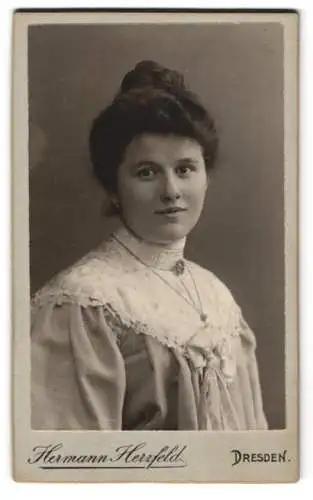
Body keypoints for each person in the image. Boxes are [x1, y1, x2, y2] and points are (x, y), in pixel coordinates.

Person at [31, 60, 268, 431]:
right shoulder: (83, 302)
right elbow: (68, 465)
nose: (171, 191)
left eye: (185, 168)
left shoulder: (217, 296)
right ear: (113, 187)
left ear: (206, 176)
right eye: (147, 172)